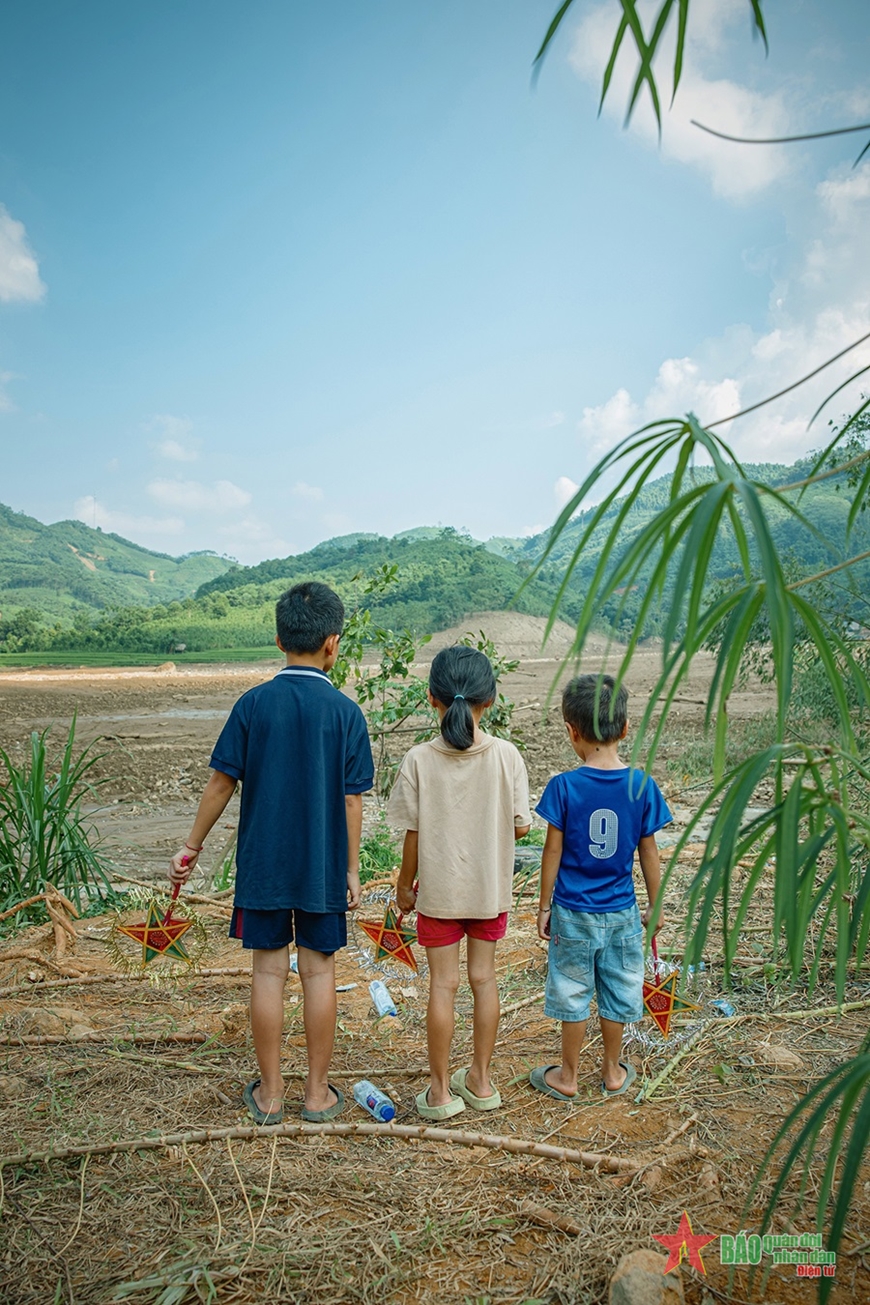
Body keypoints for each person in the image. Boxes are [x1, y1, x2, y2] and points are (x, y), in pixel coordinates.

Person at [169, 581, 373, 1125]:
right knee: (319, 972)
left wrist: (192, 845)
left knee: (267, 973)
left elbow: (220, 784)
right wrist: (351, 870)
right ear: (334, 644)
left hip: (262, 863)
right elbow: (353, 802)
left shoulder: (253, 704)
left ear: (279, 637)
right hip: (323, 867)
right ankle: (316, 1094)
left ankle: (271, 1095)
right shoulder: (346, 714)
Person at [389, 645, 531, 1121]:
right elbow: (521, 827)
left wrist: (405, 886)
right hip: (489, 893)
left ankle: (438, 1092)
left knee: (443, 985)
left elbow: (412, 836)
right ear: (489, 701)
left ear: (433, 698)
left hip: (440, 896)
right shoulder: (507, 757)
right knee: (484, 980)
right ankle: (482, 1080)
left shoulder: (418, 760)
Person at [531, 673, 671, 1100]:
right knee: (618, 988)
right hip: (623, 912)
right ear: (625, 729)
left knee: (573, 991)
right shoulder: (642, 786)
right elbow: (649, 853)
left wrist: (543, 906)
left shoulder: (564, 787)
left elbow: (551, 853)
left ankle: (568, 1076)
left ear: (572, 732)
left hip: (572, 910)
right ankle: (612, 1071)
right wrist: (656, 905)